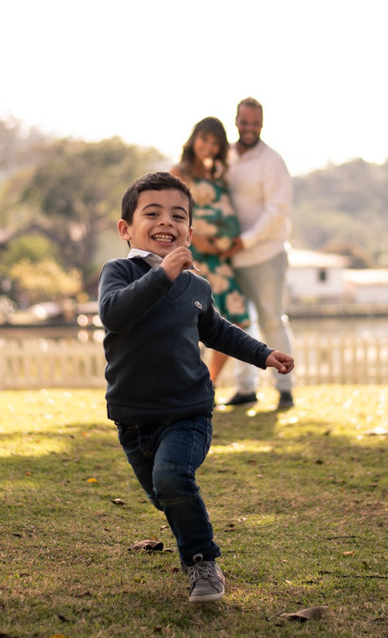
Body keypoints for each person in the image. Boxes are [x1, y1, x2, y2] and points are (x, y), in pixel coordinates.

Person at [98, 171, 295, 604]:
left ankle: (202, 561)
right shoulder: (118, 273)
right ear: (126, 229)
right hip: (133, 419)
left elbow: (221, 333)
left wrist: (264, 354)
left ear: (189, 229)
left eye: (178, 215)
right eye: (153, 213)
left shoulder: (196, 286)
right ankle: (185, 519)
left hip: (188, 411)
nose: (166, 221)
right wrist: (162, 274)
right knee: (164, 496)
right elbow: (115, 314)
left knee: (173, 479)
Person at [223, 96, 296, 409]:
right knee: (238, 324)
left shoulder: (272, 161)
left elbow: (276, 212)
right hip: (230, 258)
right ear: (236, 121)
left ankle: (285, 388)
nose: (249, 128)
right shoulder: (224, 156)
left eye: (255, 123)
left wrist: (245, 240)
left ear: (261, 124)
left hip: (265, 255)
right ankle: (245, 389)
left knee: (270, 321)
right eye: (244, 122)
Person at [170, 117, 250, 387]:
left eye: (216, 143)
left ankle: (210, 382)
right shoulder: (179, 173)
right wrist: (194, 240)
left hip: (221, 260)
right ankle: (188, 382)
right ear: (194, 139)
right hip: (192, 258)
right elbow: (170, 213)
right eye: (205, 139)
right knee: (189, 320)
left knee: (235, 320)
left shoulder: (219, 177)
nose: (209, 146)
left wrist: (225, 243)